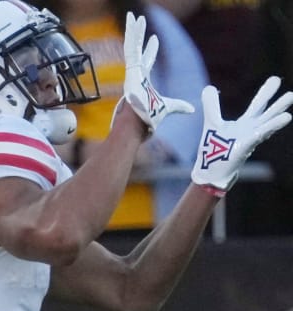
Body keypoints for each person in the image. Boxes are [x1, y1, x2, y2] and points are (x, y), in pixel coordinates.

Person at [0, 0, 292, 311]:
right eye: (26, 63)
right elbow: (57, 235)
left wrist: (208, 182)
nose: (48, 76)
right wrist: (131, 122)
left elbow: (131, 288)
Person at [32, 0, 209, 228]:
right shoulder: (30, 27)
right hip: (64, 212)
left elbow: (192, 99)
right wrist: (73, 149)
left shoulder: (154, 21)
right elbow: (15, 108)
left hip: (147, 203)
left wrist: (150, 150)